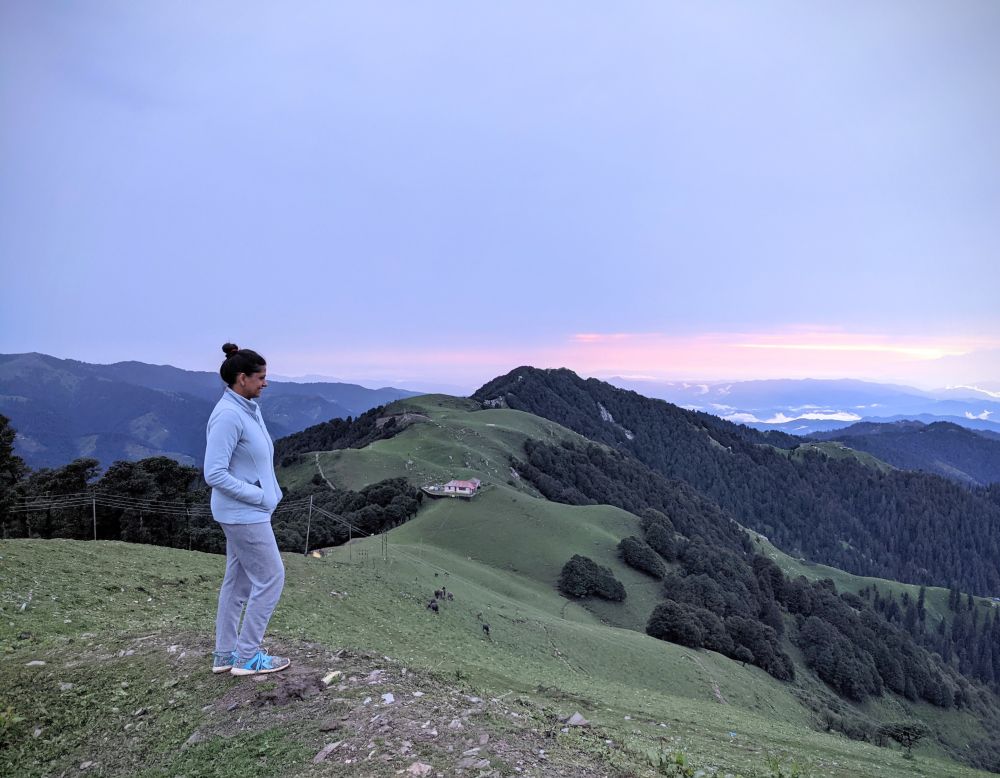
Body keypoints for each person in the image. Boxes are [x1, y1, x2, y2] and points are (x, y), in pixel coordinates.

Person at [204, 343, 290, 676]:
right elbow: (214, 472)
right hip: (244, 514)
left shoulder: (245, 409)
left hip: (243, 512)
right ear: (243, 379)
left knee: (238, 584)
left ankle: (225, 654)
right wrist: (258, 495)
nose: (265, 383)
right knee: (272, 578)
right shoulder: (228, 415)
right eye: (261, 377)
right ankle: (247, 657)